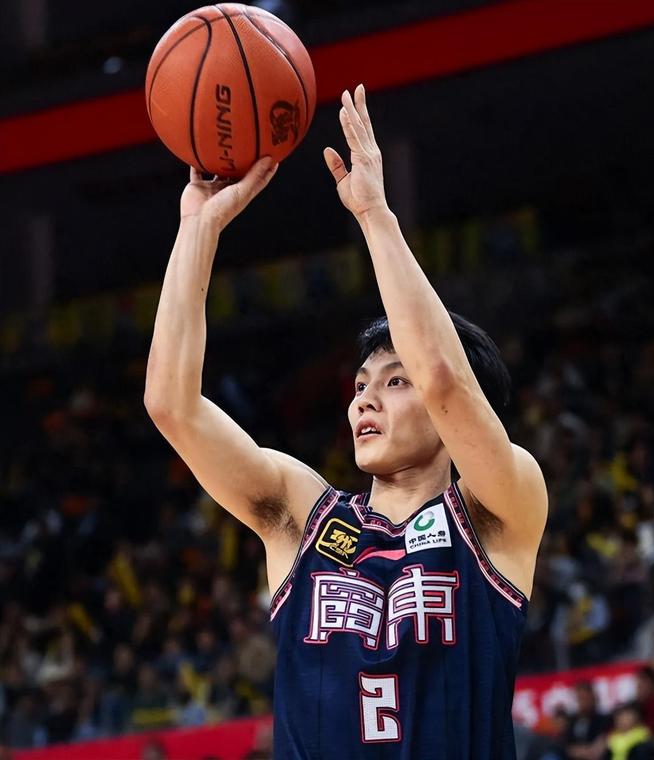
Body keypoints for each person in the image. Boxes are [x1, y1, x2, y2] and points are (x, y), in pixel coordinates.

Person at [145, 84, 548, 758]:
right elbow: (171, 405)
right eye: (361, 384)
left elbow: (443, 377)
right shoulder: (303, 516)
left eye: (394, 381)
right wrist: (198, 231)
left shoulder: (497, 510)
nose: (364, 399)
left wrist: (374, 215)